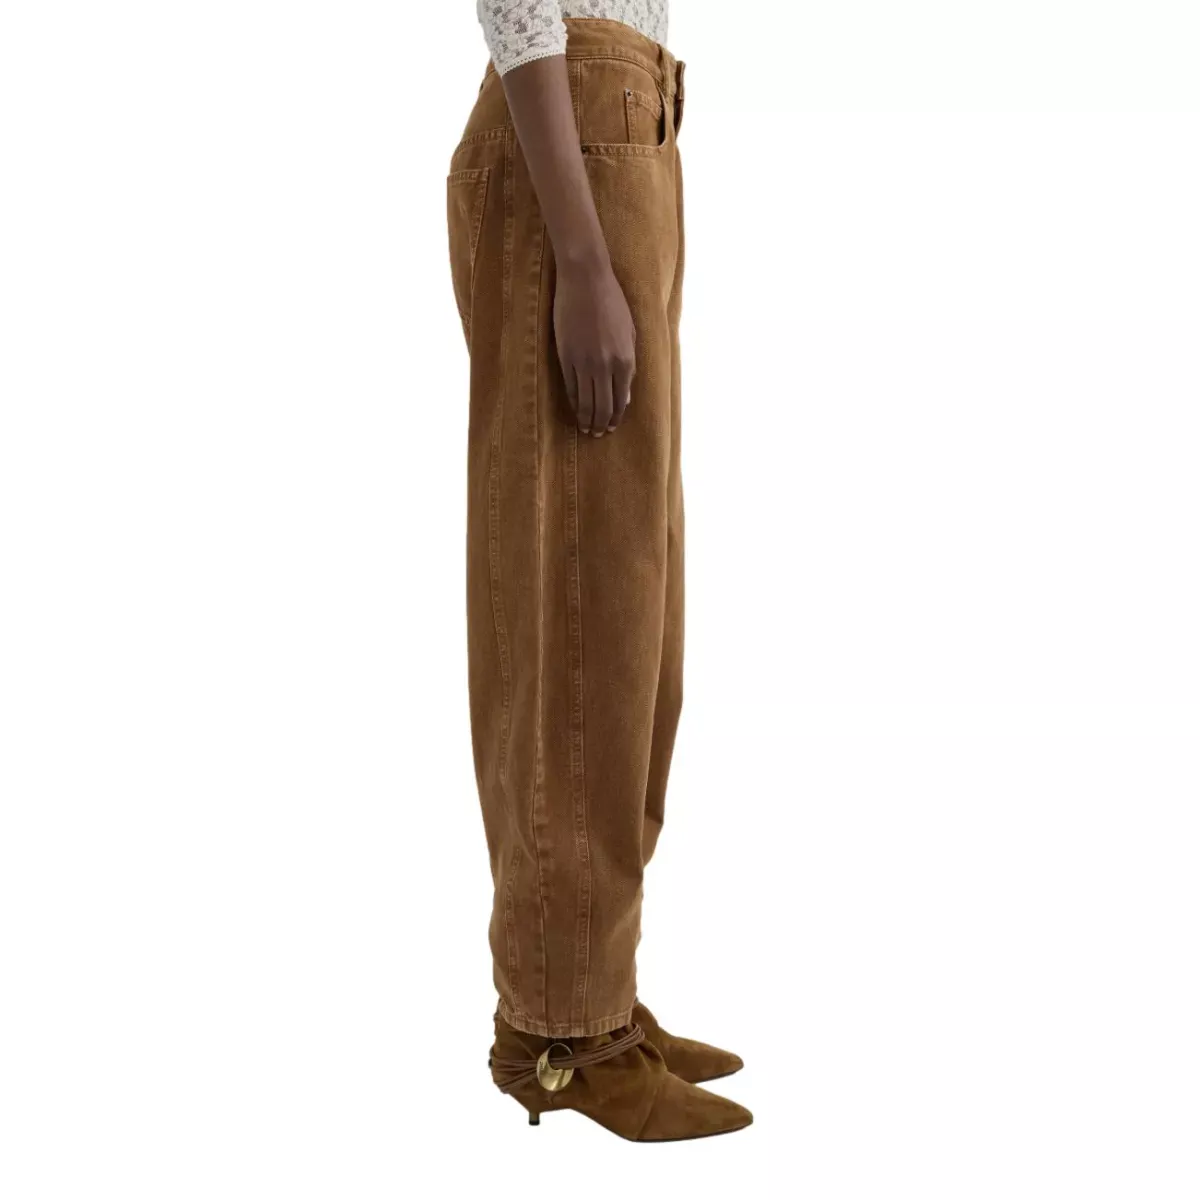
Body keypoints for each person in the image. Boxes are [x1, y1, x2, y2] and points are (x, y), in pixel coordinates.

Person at [446, 3, 752, 1141]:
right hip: (569, 140)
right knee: (576, 606)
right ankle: (560, 1036)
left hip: (622, 134)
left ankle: (594, 994)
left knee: (631, 618)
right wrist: (579, 254)